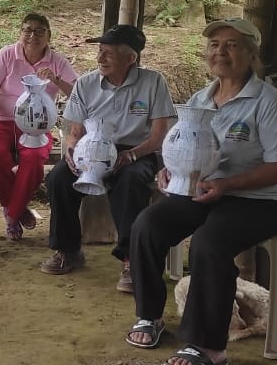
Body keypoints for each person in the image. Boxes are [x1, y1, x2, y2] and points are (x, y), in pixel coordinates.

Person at [125, 18, 277, 365]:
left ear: (251, 54)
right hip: (205, 192)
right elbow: (183, 146)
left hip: (259, 200)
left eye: (232, 45)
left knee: (209, 242)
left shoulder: (269, 101)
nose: (221, 52)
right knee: (147, 225)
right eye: (214, 44)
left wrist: (228, 184)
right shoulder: (201, 99)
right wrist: (170, 167)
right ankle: (150, 316)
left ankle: (208, 346)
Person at [39, 24, 176, 295]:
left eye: (108, 53)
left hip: (136, 150)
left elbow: (160, 136)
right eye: (100, 51)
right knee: (58, 178)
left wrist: (132, 154)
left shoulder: (153, 82)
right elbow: (75, 131)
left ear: (131, 58)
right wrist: (72, 150)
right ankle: (68, 250)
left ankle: (130, 260)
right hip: (90, 148)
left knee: (131, 182)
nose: (100, 58)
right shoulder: (86, 84)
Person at [0, 13, 77, 240]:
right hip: (1, 120)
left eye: (40, 31)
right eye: (28, 30)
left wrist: (56, 80)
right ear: (20, 33)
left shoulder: (58, 62)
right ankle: (19, 207)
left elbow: (78, 94)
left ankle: (12, 213)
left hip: (38, 127)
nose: (33, 36)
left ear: (49, 35)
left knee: (33, 159)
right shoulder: (7, 55)